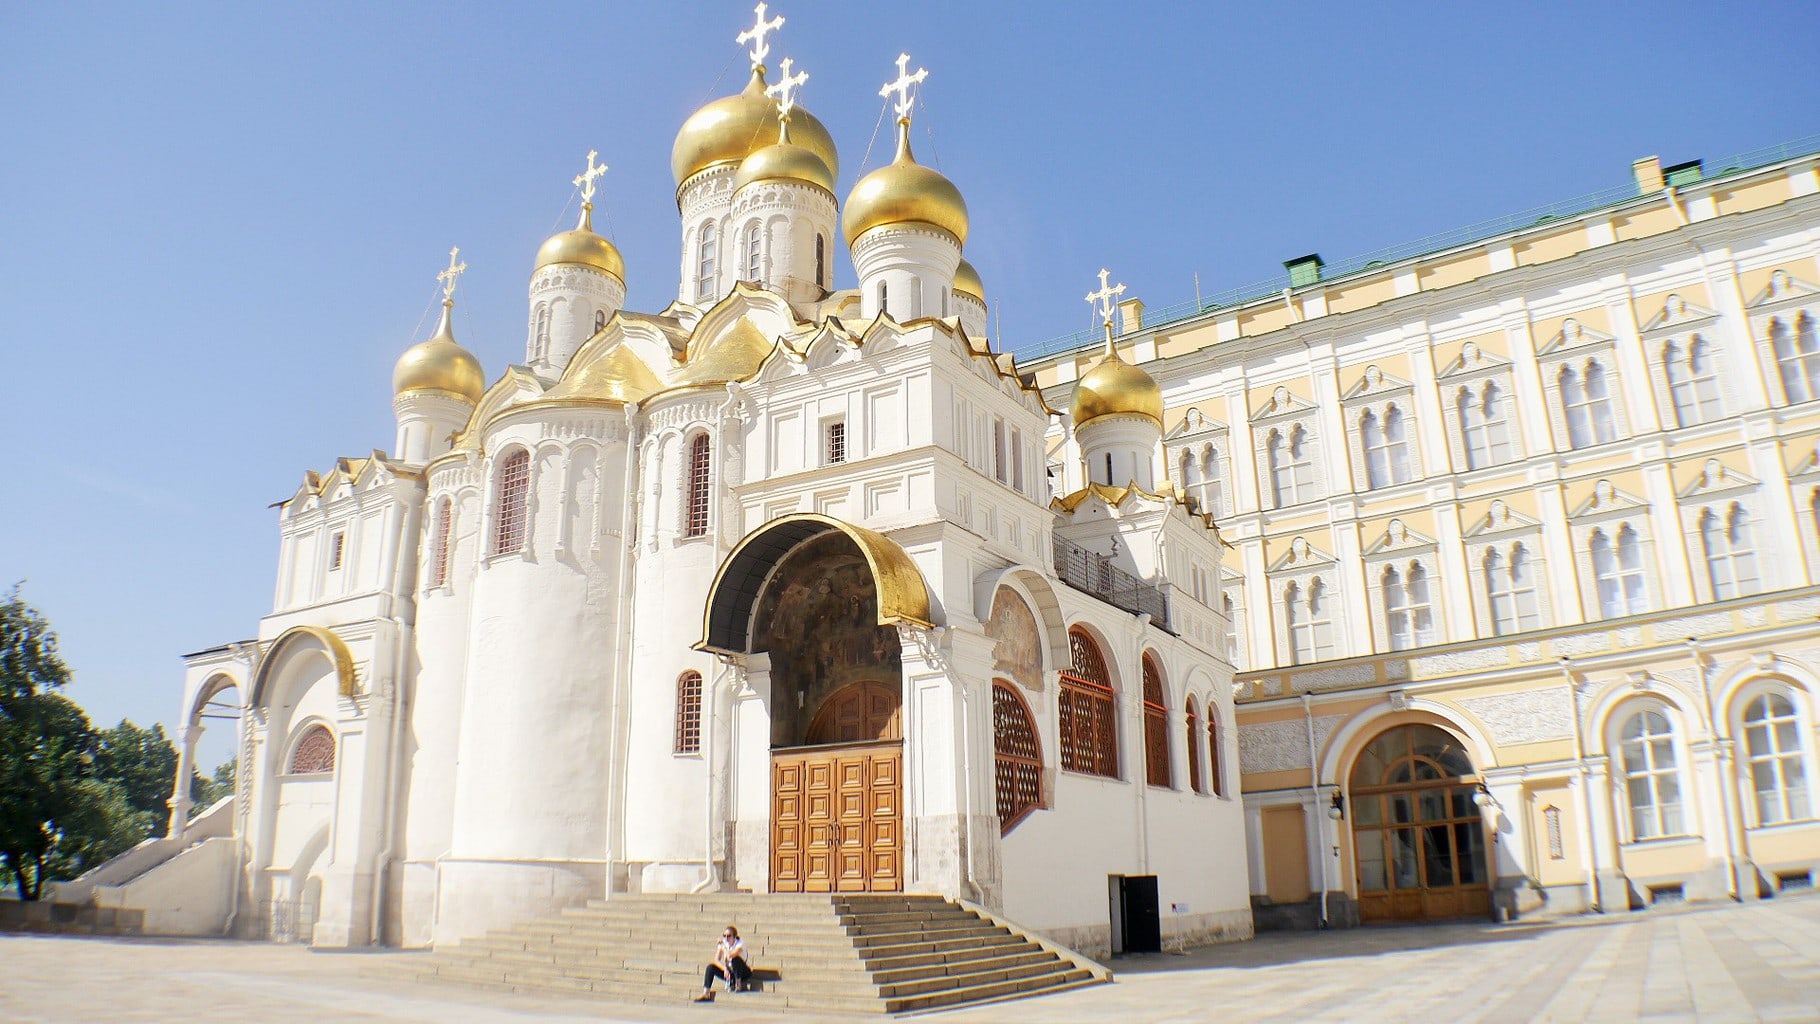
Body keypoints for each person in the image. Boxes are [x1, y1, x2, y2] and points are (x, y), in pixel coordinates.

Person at [693, 925, 752, 1002]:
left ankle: (738, 984)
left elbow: (731, 955)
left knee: (735, 959)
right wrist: (724, 969)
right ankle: (706, 993)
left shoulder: (740, 944)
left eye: (729, 936)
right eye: (724, 936)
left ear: (734, 936)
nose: (726, 938)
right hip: (730, 972)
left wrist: (723, 948)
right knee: (710, 967)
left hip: (743, 972)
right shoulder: (724, 943)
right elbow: (716, 960)